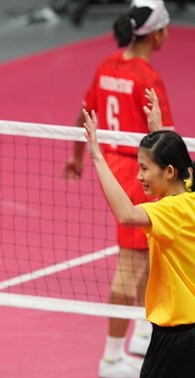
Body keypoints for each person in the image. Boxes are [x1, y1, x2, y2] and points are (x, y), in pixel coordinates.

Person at [62, 1, 173, 376]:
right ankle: (110, 358)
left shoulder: (107, 65)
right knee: (131, 266)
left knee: (150, 252)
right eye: (166, 28)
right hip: (140, 174)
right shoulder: (146, 76)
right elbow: (164, 137)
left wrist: (78, 155)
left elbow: (84, 113)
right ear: (155, 33)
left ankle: (143, 331)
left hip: (113, 168)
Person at [82, 99, 195, 378]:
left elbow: (127, 215)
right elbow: (182, 168)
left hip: (179, 336)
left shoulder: (172, 211)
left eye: (144, 168)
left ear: (168, 172)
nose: (139, 175)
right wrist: (158, 131)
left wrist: (96, 154)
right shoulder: (188, 191)